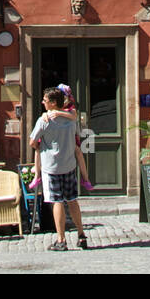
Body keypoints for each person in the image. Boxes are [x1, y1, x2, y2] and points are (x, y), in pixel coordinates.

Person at [30, 87, 87, 251]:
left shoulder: (44, 121)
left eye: (45, 100)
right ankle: (81, 235)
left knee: (57, 201)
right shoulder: (70, 119)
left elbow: (32, 142)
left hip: (51, 167)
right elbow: (74, 123)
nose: (42, 102)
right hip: (69, 165)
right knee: (72, 200)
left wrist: (41, 146)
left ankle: (61, 240)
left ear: (53, 103)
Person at [30, 84, 92, 192]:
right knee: (38, 150)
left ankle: (85, 178)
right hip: (60, 145)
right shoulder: (51, 110)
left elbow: (74, 116)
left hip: (68, 141)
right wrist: (46, 114)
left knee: (78, 152)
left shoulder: (69, 109)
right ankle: (37, 175)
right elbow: (47, 115)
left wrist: (58, 112)